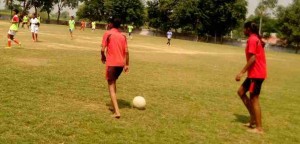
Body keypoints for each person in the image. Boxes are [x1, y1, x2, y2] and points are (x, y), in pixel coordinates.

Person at [236, 21, 267, 134]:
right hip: (254, 74)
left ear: (248, 29)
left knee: (254, 99)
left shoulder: (253, 39)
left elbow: (253, 58)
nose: (243, 30)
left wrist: (241, 72)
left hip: (256, 74)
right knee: (241, 92)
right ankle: (253, 119)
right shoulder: (254, 38)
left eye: (244, 28)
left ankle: (259, 128)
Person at [101, 18, 129, 119]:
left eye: (109, 23)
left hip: (112, 64)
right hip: (120, 65)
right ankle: (114, 106)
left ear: (111, 24)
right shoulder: (123, 36)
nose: (108, 24)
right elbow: (127, 52)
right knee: (114, 82)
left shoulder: (108, 33)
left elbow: (102, 49)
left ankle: (117, 112)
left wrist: (102, 56)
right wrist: (127, 64)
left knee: (111, 87)